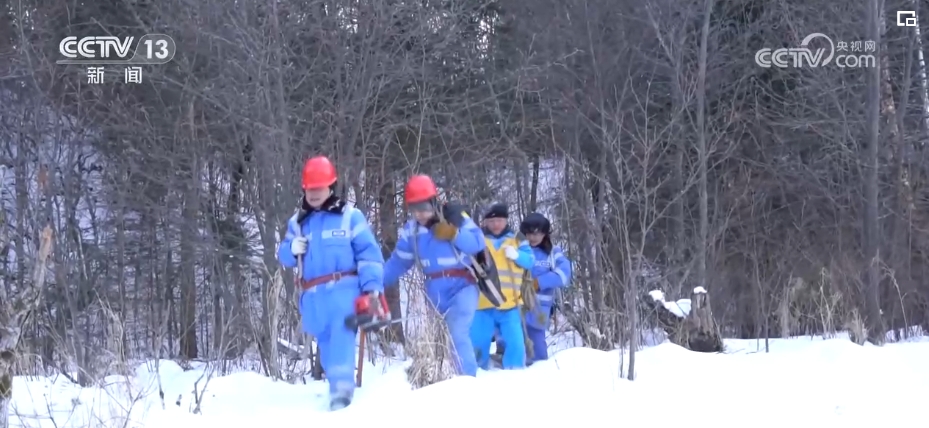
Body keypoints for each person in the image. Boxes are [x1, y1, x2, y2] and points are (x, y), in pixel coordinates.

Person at [277, 156, 386, 411]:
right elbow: (283, 256)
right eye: (310, 188)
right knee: (326, 348)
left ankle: (342, 396)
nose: (314, 193)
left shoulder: (351, 217)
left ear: (331, 186)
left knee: (341, 341)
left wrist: (372, 288)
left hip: (344, 293)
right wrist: (290, 250)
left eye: (319, 187)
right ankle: (337, 388)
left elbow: (369, 254)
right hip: (313, 299)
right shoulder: (297, 223)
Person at [382, 174, 486, 377]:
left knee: (458, 332)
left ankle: (468, 380)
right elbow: (398, 262)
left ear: (433, 201)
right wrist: (374, 283)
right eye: (413, 208)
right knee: (440, 341)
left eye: (423, 207)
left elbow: (477, 243)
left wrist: (454, 234)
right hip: (435, 294)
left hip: (463, 286)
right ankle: (445, 380)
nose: (419, 213)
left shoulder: (456, 217)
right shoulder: (411, 232)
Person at [470, 203, 535, 370]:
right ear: (485, 222)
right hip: (482, 302)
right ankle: (477, 373)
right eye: (491, 221)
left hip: (510, 303)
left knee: (516, 343)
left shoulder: (517, 239)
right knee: (478, 342)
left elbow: (530, 261)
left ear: (506, 220)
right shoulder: (478, 239)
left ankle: (514, 372)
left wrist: (517, 255)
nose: (496, 225)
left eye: (499, 220)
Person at [520, 212, 572, 363]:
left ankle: (540, 373)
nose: (533, 237)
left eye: (537, 233)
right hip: (515, 307)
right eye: (529, 233)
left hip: (539, 309)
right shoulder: (518, 251)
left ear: (545, 233)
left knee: (537, 351)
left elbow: (564, 274)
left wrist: (540, 282)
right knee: (512, 345)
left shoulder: (553, 252)